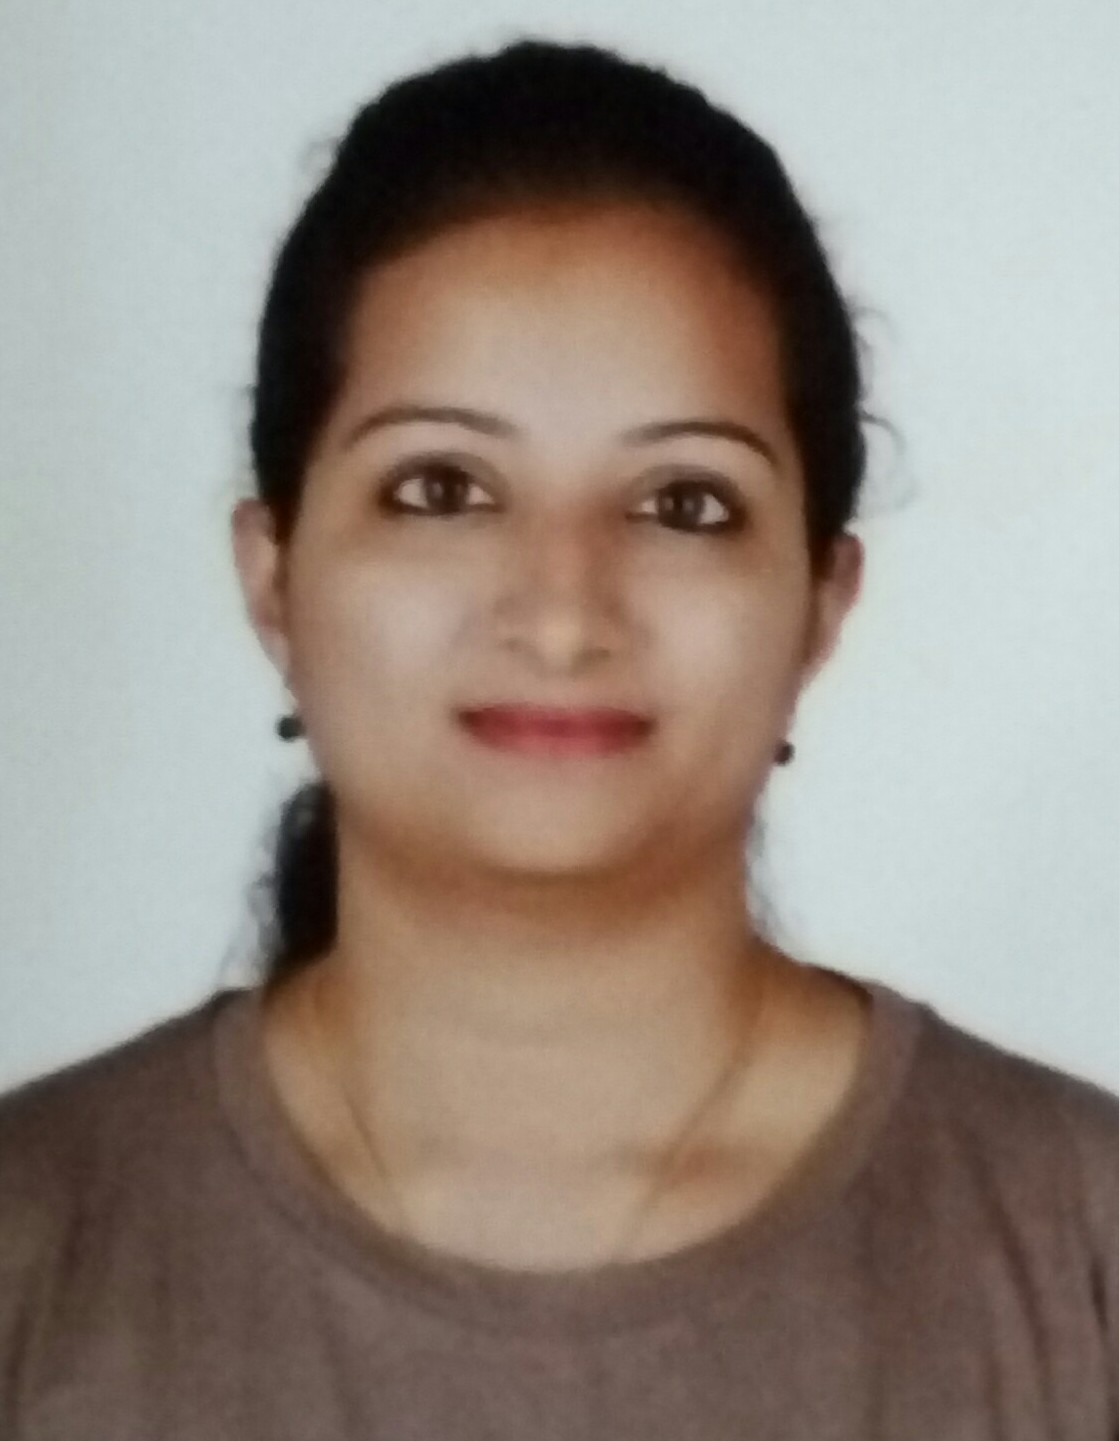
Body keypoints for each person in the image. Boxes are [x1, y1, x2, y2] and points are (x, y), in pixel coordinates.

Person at [2, 35, 1117, 1441]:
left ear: (820, 606)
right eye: (443, 487)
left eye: (684, 503)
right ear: (273, 579)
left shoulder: (1080, 1254)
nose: (563, 610)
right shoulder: (36, 1247)